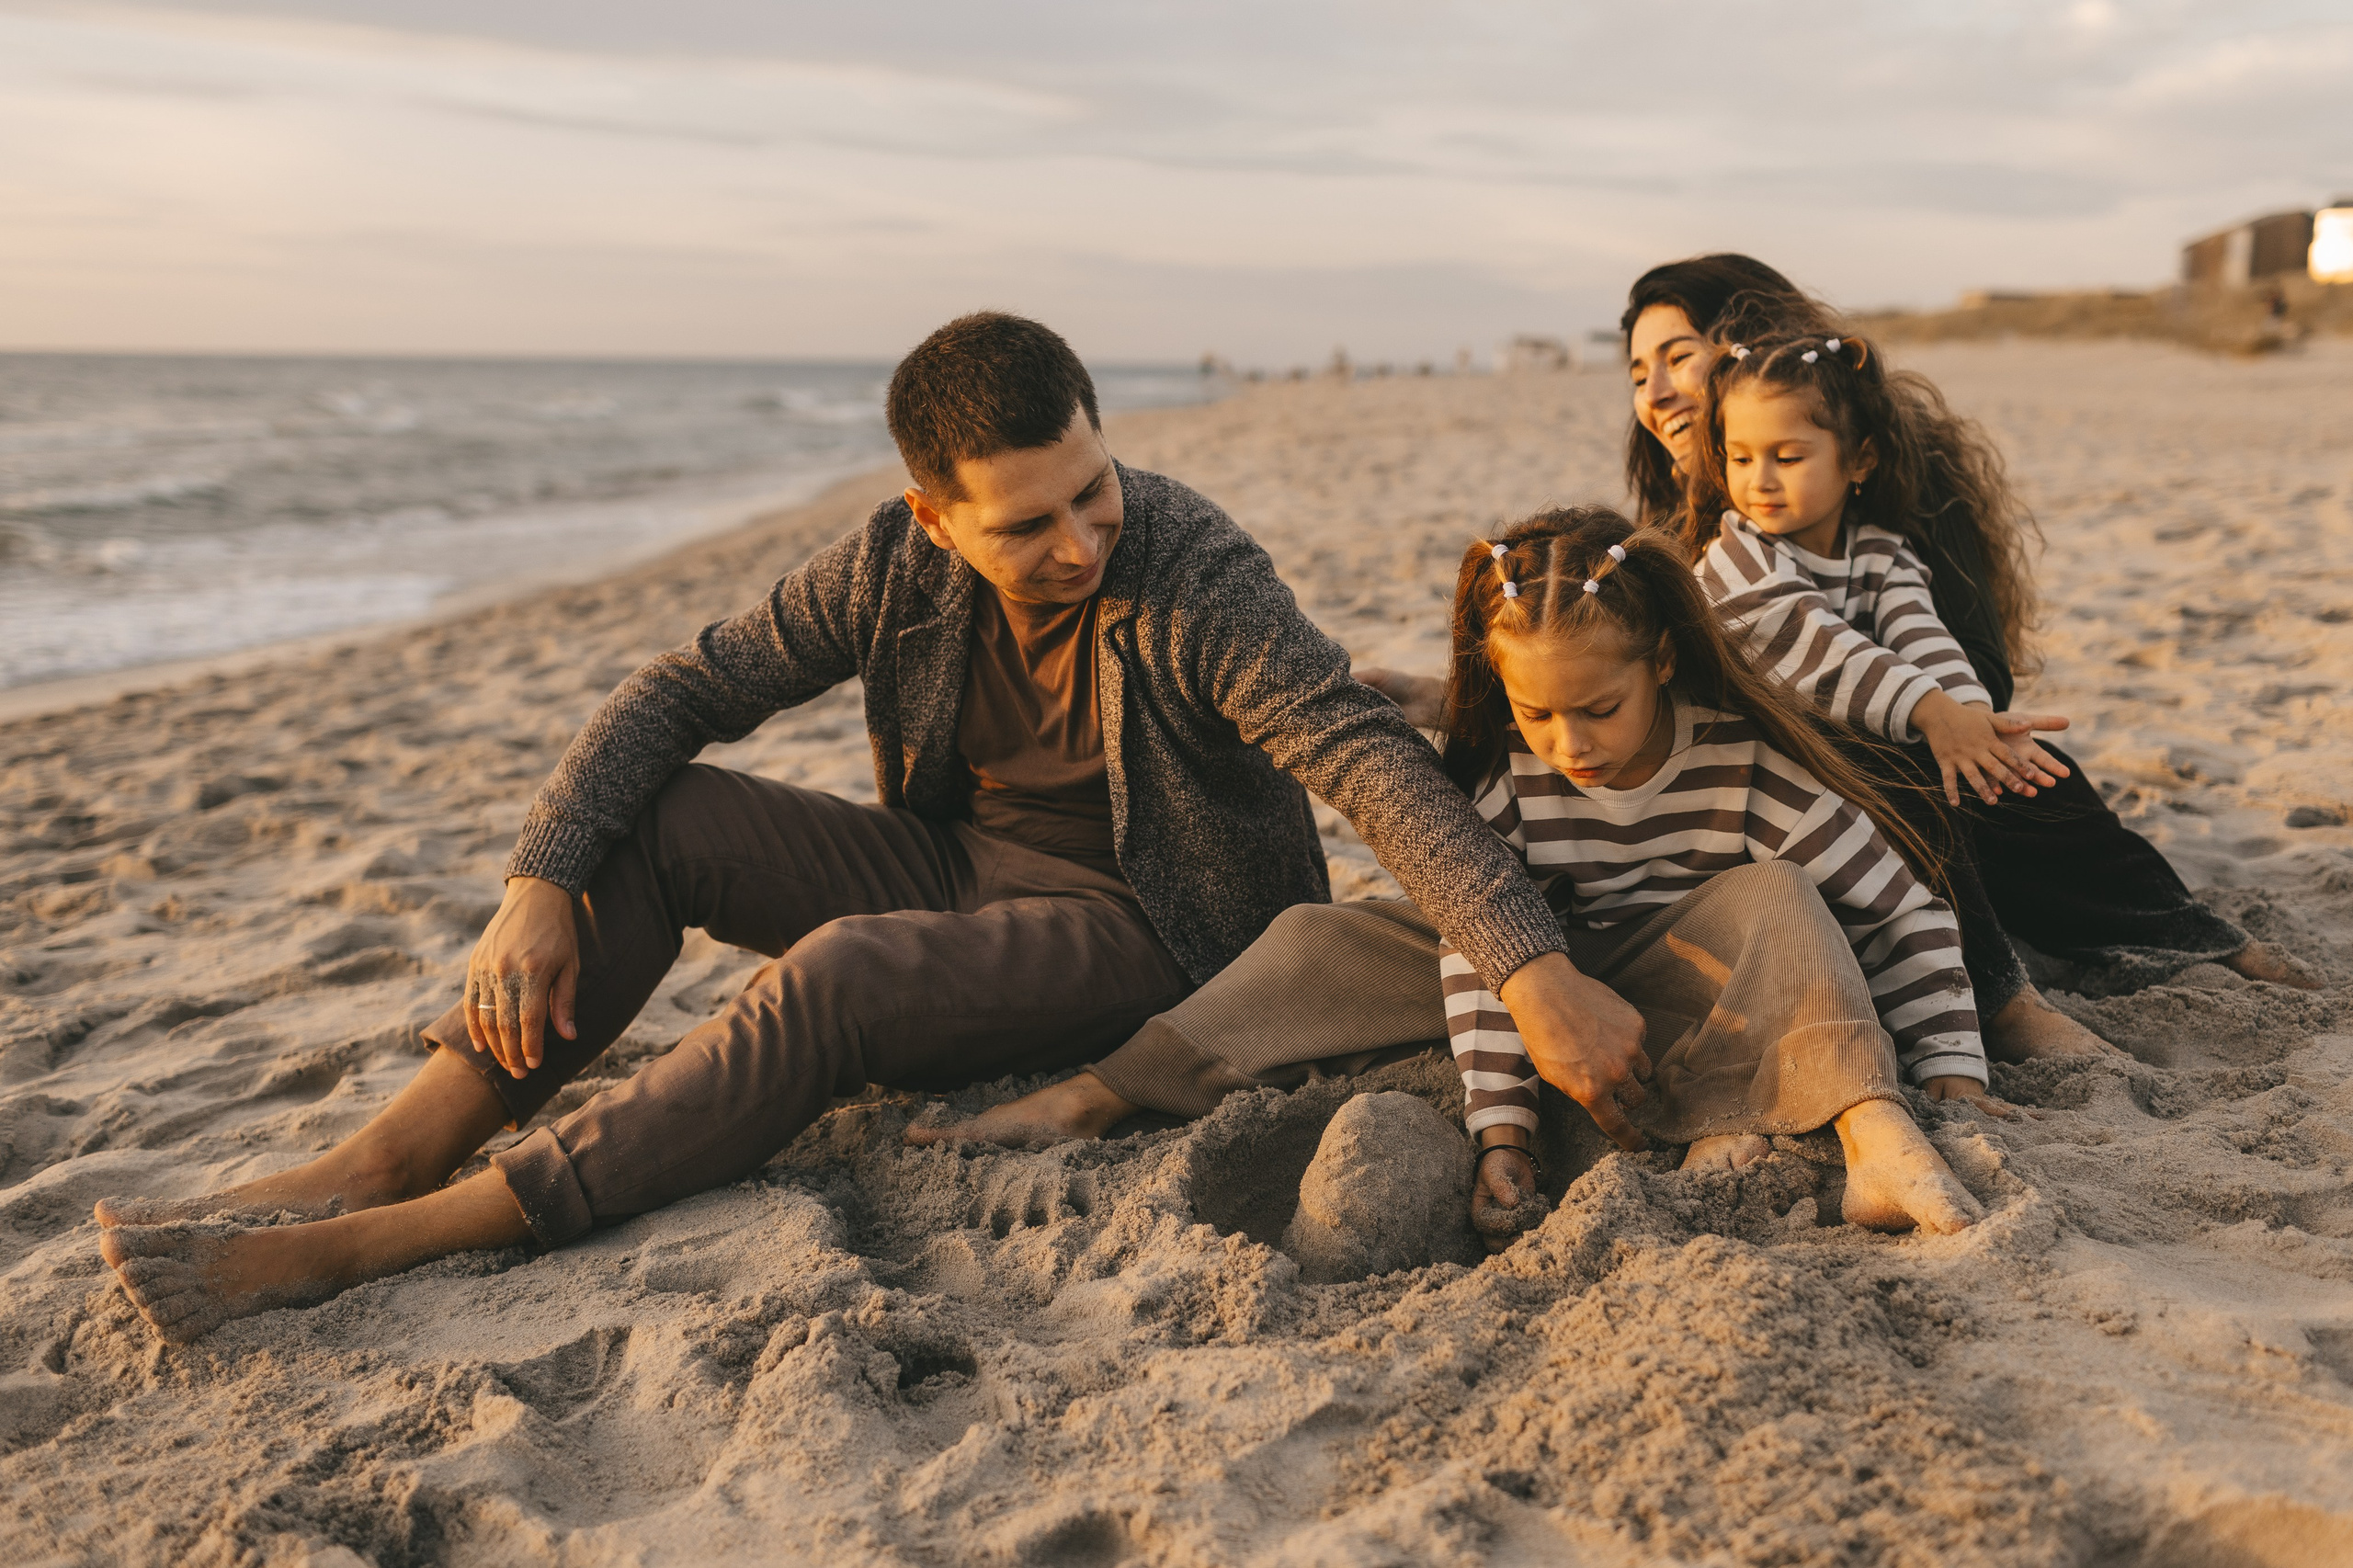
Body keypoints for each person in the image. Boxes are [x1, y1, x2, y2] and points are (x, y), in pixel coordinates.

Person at [95, 312, 1599, 1345]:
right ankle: (390, 1151)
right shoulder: (890, 566)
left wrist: (1528, 967)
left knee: (839, 972)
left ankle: (408, 1232)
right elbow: (685, 687)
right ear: (934, 515)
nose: (1080, 541)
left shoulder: (1193, 569)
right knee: (665, 817)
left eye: (1092, 493)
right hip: (961, 867)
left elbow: (1362, 755)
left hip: (1155, 925)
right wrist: (539, 876)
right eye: (1027, 524)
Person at [927, 509, 1995, 1249]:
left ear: (1662, 662)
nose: (1569, 741)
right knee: (1316, 935)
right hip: (1542, 979)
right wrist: (1502, 1129)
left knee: (1779, 897)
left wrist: (1952, 1064)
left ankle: (1871, 1129)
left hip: (1698, 988)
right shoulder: (1509, 776)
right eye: (1536, 712)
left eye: (1598, 708)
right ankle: (1101, 1092)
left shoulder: (1741, 764)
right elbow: (1475, 952)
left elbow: (1903, 908)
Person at [1681, 324, 2316, 996]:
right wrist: (1934, 715)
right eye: (1740, 458)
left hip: (1881, 740)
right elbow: (1818, 645)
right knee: (1924, 806)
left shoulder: (1882, 552)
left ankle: (2184, 930)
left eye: (1787, 457)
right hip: (1777, 778)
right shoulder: (1737, 555)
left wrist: (1973, 721)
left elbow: (1922, 636)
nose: (1759, 480)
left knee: (2038, 780)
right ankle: (1997, 992)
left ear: (1859, 460)